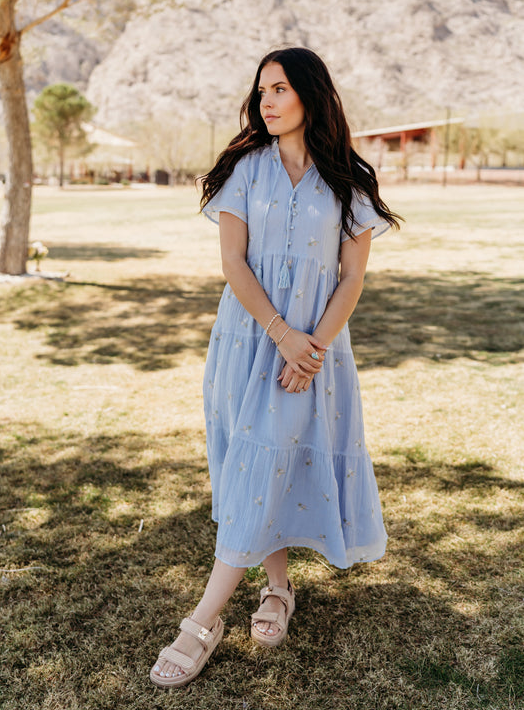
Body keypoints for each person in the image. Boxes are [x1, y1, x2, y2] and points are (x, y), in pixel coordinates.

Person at [150, 47, 401, 688]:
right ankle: (278, 590)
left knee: (270, 456)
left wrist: (309, 349)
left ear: (312, 97)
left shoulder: (349, 181)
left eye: (281, 88)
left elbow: (351, 278)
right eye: (261, 89)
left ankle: (204, 619)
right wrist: (282, 335)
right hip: (247, 340)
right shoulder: (244, 172)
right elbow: (234, 264)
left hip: (315, 354)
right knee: (256, 461)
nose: (266, 100)